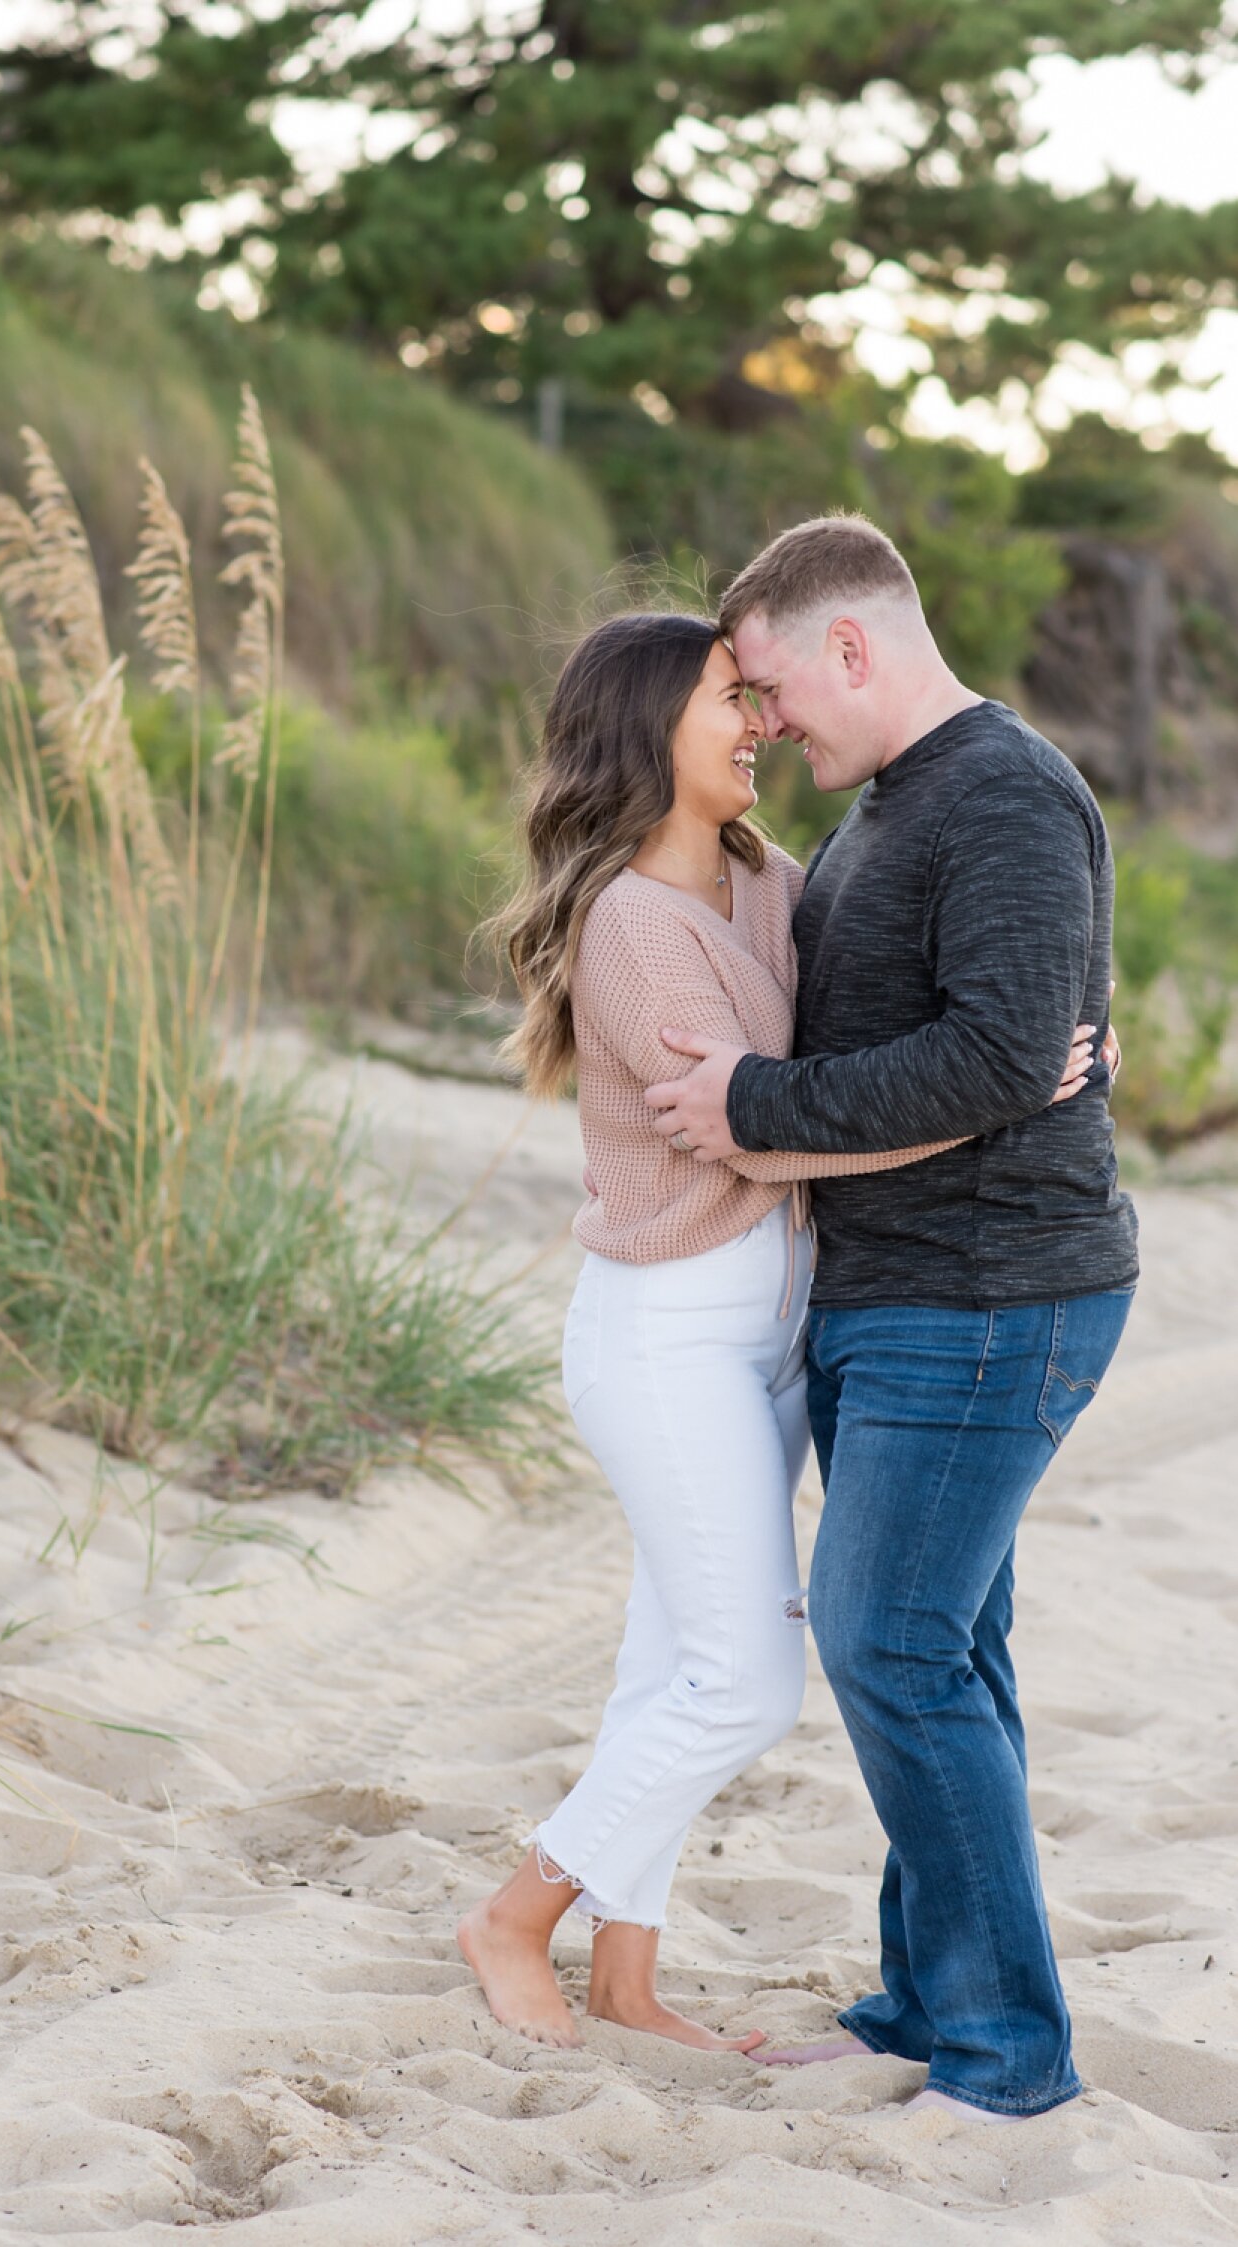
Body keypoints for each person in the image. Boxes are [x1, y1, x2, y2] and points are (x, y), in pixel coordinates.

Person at [456, 608, 1100, 2056]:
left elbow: (877, 1045)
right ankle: (516, 1914)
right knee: (739, 1681)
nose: (756, 724)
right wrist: (1002, 1093)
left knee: (664, 1663)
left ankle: (626, 1976)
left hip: (779, 1327)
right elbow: (769, 1135)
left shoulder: (769, 880)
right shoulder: (628, 923)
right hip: (666, 1334)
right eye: (723, 700)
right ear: (646, 734)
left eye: (755, 696)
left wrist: (1050, 1038)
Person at [645, 516, 1137, 2122]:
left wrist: (754, 1105)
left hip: (990, 1291)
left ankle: (1005, 2060)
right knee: (947, 1648)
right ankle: (931, 2007)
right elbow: (1012, 1032)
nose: (766, 719)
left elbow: (1004, 1057)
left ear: (852, 644)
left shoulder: (997, 792)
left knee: (889, 1643)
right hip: (904, 1289)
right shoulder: (897, 803)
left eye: (775, 681)